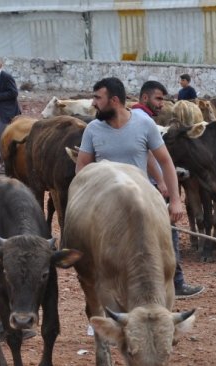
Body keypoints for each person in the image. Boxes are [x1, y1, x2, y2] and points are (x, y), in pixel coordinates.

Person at [76, 77, 204, 299]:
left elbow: (165, 161)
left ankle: (161, 297)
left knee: (153, 255)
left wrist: (174, 199)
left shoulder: (144, 125)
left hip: (142, 204)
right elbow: (82, 167)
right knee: (106, 260)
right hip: (107, 208)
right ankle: (106, 308)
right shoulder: (92, 130)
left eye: (98, 98)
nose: (93, 103)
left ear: (114, 100)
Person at [132, 80, 205, 299]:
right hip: (149, 188)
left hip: (141, 185)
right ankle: (177, 283)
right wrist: (163, 182)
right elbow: (152, 156)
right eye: (158, 99)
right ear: (144, 98)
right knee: (168, 235)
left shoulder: (134, 117)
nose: (162, 105)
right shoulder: (144, 121)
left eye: (163, 99)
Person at [0, 57, 21, 172]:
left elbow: (14, 93)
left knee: (3, 140)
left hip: (5, 113)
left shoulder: (6, 77)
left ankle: (6, 166)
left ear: (0, 65)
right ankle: (5, 164)